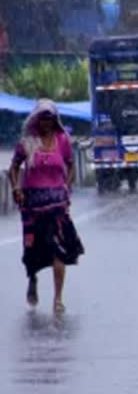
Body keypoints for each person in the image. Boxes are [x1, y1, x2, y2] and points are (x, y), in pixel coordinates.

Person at [9, 100, 84, 313]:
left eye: (49, 119)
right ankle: (32, 279)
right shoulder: (28, 142)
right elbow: (14, 166)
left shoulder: (63, 140)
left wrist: (67, 186)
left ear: (54, 121)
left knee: (58, 250)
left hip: (57, 205)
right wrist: (16, 188)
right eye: (42, 119)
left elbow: (70, 165)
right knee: (33, 252)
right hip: (33, 206)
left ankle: (58, 298)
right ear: (36, 120)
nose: (46, 123)